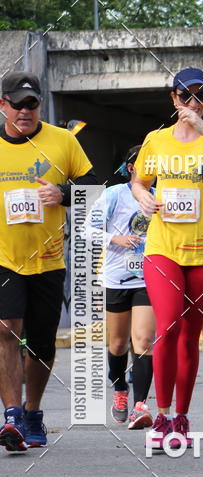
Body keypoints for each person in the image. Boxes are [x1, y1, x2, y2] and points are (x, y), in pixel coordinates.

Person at [132, 67, 203, 447]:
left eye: (201, 96)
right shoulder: (157, 140)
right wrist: (142, 196)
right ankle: (161, 416)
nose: (193, 103)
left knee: (191, 335)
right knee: (168, 327)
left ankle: (182, 417)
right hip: (164, 248)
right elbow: (139, 180)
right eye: (186, 96)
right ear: (173, 98)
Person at [0, 72, 97, 450]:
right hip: (4, 258)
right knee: (6, 330)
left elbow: (95, 189)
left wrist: (64, 193)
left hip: (49, 259)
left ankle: (32, 412)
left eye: (32, 104)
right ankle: (11, 416)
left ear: (40, 105)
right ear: (3, 105)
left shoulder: (63, 141)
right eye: (17, 103)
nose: (25, 111)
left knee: (41, 341)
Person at [86, 146, 155, 429]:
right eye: (144, 166)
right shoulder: (114, 194)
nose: (151, 172)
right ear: (131, 168)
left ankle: (140, 405)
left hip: (149, 279)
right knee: (117, 344)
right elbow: (87, 230)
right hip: (116, 278)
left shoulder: (163, 195)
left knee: (143, 342)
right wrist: (116, 239)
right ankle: (120, 392)